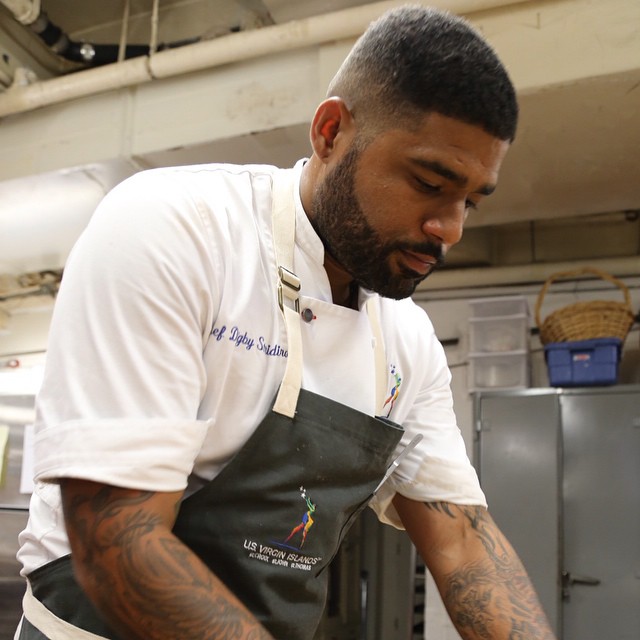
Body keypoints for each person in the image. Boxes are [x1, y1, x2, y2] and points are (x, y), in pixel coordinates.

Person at [16, 5, 556, 640]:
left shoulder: (407, 342)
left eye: (470, 201)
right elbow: (118, 541)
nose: (451, 228)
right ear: (330, 132)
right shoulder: (179, 229)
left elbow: (464, 542)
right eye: (427, 182)